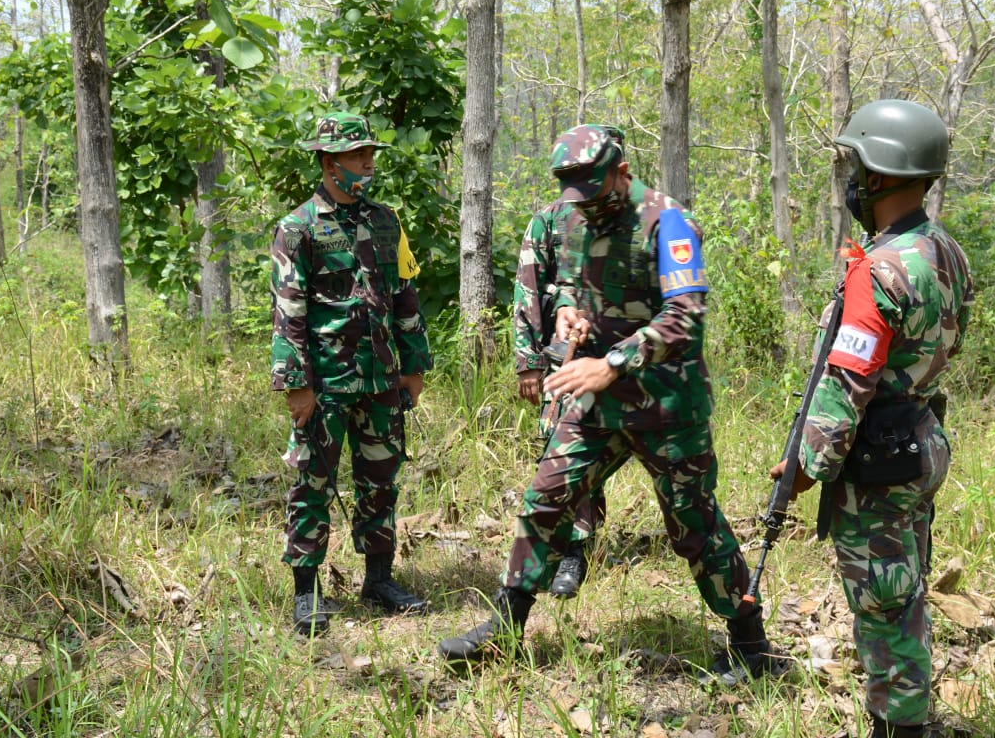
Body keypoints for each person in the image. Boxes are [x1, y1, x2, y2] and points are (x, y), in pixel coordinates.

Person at [439, 124, 789, 686]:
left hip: (667, 407)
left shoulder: (666, 222)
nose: (586, 206)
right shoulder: (576, 219)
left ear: (621, 172)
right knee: (544, 500)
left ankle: (751, 646)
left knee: (694, 526)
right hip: (598, 405)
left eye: (595, 192)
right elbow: (576, 288)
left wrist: (612, 362)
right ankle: (505, 630)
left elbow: (684, 316)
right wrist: (570, 315)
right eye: (574, 193)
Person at [769, 100, 973, 737]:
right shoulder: (943, 251)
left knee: (883, 605)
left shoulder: (879, 271)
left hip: (879, 460)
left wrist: (805, 467)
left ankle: (898, 725)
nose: (851, 179)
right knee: (905, 591)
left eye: (856, 165)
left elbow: (846, 384)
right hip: (920, 440)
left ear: (882, 173)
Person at [270, 110, 434, 636]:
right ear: (328, 162)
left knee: (381, 480)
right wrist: (297, 383)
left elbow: (405, 293)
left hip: (381, 379)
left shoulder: (386, 221)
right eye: (357, 156)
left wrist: (414, 364)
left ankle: (379, 579)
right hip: (326, 382)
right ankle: (306, 592)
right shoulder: (297, 228)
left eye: (369, 155)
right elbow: (288, 310)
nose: (367, 164)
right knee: (312, 482)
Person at [511, 124, 628, 598]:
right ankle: (567, 552)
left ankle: (576, 548)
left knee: (596, 455)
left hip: (619, 361)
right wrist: (527, 362)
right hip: (565, 360)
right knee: (560, 451)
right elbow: (528, 288)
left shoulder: (640, 220)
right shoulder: (549, 220)